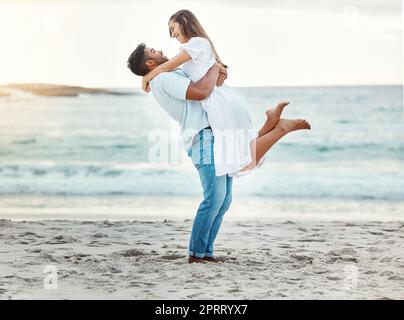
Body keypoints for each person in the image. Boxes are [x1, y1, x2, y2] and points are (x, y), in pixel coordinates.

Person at [127, 44, 310, 263]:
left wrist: (216, 69)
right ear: (149, 62)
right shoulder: (164, 79)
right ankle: (196, 254)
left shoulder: (166, 74)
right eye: (153, 51)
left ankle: (206, 252)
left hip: (214, 133)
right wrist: (214, 68)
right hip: (203, 139)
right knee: (213, 198)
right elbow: (200, 91)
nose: (159, 50)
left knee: (223, 200)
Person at [141, 9, 310, 177]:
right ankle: (271, 121)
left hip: (218, 102)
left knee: (240, 161)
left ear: (184, 22)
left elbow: (167, 66)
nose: (172, 35)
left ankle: (281, 129)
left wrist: (146, 77)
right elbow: (180, 69)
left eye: (173, 28)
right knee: (240, 148)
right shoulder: (198, 45)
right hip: (224, 99)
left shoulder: (196, 44)